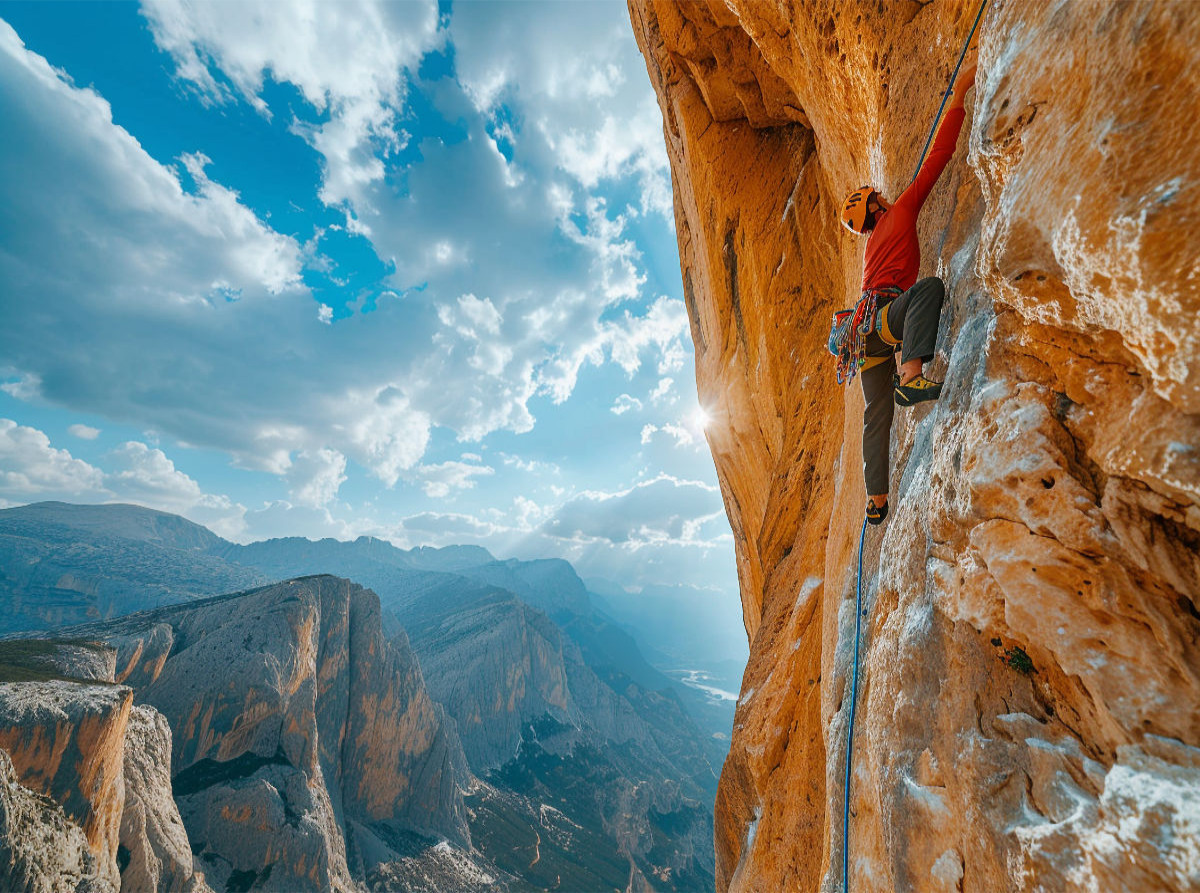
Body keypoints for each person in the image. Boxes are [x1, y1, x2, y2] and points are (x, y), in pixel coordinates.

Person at [838, 62, 977, 526]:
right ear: (877, 205)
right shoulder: (898, 214)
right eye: (877, 196)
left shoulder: (871, 248)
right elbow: (938, 156)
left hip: (866, 337)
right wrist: (957, 94)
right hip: (883, 319)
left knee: (876, 415)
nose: (883, 195)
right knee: (927, 290)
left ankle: (876, 499)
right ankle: (912, 374)